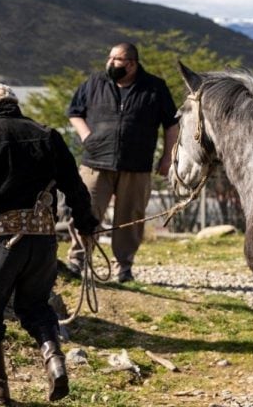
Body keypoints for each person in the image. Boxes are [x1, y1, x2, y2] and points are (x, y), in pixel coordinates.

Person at [0, 83, 99, 405]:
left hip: (1, 243)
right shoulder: (48, 136)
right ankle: (54, 359)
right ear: (14, 105)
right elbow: (75, 187)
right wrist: (86, 225)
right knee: (36, 306)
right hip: (43, 241)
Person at [66, 42, 178, 283]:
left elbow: (171, 124)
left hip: (136, 165)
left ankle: (123, 268)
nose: (110, 63)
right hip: (96, 162)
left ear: (131, 63)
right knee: (84, 210)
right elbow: (75, 112)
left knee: (130, 217)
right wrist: (86, 135)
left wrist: (168, 158)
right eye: (109, 58)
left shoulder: (155, 88)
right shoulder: (95, 82)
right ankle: (77, 260)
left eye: (116, 59)